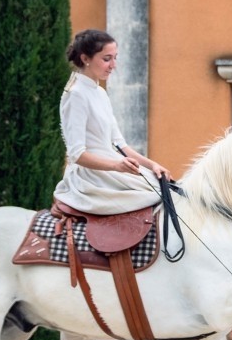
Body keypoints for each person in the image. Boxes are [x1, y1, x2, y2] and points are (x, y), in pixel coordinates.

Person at [52, 29, 171, 215]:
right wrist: (116, 166)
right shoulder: (76, 95)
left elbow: (120, 145)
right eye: (107, 59)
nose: (113, 65)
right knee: (155, 195)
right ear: (85, 59)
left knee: (165, 188)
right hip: (91, 176)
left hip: (114, 167)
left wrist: (152, 165)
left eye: (115, 58)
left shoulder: (100, 92)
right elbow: (77, 155)